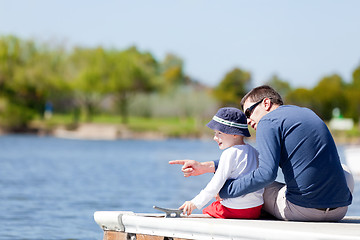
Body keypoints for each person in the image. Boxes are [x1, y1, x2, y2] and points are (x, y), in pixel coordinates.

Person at [170, 85, 353, 222]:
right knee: (343, 169)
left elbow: (265, 174)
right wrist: (206, 166)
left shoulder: (268, 122)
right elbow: (254, 157)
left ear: (266, 103)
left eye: (249, 112)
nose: (248, 121)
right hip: (340, 209)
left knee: (258, 186)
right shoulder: (308, 114)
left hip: (304, 211)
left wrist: (226, 190)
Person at [170, 107, 264, 219]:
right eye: (215, 133)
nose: (215, 138)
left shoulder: (229, 153)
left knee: (208, 210)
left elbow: (215, 184)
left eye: (219, 133)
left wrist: (194, 203)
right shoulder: (254, 152)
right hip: (255, 209)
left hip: (236, 209)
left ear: (235, 134)